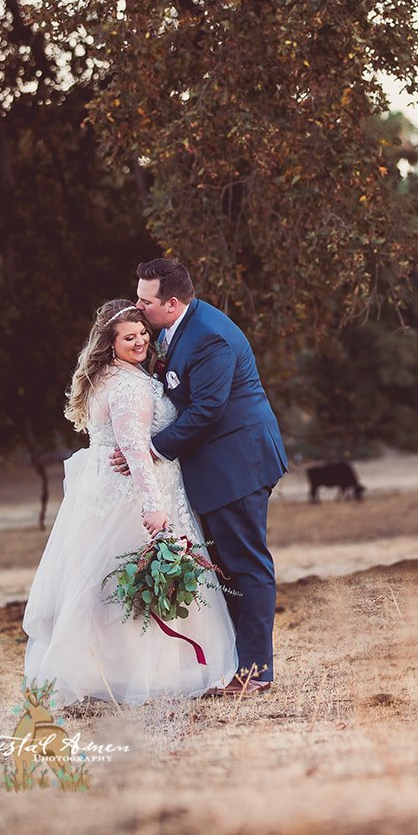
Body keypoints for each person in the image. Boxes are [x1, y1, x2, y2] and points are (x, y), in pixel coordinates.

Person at [23, 300, 238, 705]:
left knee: (106, 585)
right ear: (110, 342)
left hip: (109, 495)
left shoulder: (111, 376)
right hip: (138, 496)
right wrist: (154, 507)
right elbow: (136, 452)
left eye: (142, 334)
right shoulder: (127, 387)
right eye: (129, 337)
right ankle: (153, 673)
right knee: (136, 583)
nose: (140, 342)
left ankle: (112, 670)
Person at [123, 257, 287, 695]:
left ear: (171, 303)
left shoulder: (209, 336)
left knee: (246, 565)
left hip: (238, 463)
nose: (139, 309)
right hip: (217, 466)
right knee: (227, 569)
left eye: (145, 302)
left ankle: (256, 674)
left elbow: (207, 410)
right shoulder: (180, 329)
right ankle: (238, 665)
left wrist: (152, 449)